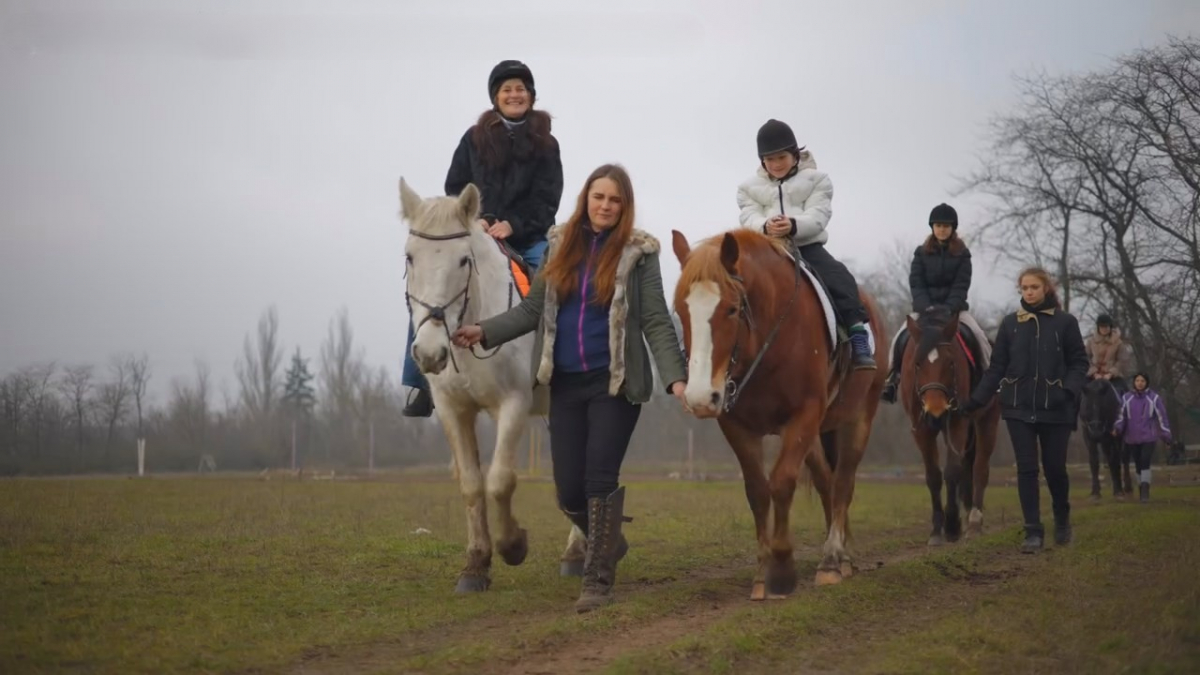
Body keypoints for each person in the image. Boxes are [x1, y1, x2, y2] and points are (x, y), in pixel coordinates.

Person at [451, 164, 687, 613]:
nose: (605, 206)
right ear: (586, 199)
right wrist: (483, 330)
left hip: (614, 384)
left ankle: (597, 581)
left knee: (599, 479)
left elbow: (656, 318)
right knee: (568, 491)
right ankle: (606, 538)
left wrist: (675, 376)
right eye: (599, 197)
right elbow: (532, 310)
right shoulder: (560, 246)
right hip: (565, 384)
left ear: (624, 207)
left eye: (614, 200)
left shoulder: (640, 254)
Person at [402, 59, 565, 417]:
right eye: (506, 89)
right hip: (477, 232)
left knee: (551, 289)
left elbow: (548, 198)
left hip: (527, 237)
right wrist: (478, 220)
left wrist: (512, 225)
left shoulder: (547, 144)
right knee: (431, 287)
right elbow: (455, 186)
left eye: (521, 88)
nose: (514, 94)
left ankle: (556, 373)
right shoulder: (472, 139)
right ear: (495, 97)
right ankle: (420, 383)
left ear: (531, 96)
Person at [962, 267, 1089, 553]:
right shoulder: (1010, 324)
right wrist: (974, 401)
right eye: (1024, 288)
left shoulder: (1065, 323)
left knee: (1055, 469)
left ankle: (1062, 520)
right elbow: (996, 369)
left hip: (1055, 409)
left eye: (1034, 287)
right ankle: (1032, 531)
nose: (1029, 292)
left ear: (1046, 288)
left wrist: (1067, 391)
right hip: (1018, 409)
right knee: (1027, 470)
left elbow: (1079, 363)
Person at [736, 119, 874, 368]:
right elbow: (749, 217)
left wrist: (793, 225)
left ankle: (857, 336)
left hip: (807, 247)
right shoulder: (747, 188)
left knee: (840, 277)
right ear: (762, 162)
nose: (776, 165)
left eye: (782, 158)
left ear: (795, 155)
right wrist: (765, 226)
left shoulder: (818, 180)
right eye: (770, 160)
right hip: (766, 250)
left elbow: (818, 216)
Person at [881, 203, 992, 403]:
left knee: (978, 335)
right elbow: (916, 283)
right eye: (938, 225)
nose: (942, 229)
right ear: (932, 227)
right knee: (899, 336)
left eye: (946, 226)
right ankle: (890, 380)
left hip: (954, 311)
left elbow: (961, 285)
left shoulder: (963, 254)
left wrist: (949, 308)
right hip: (925, 311)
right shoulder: (920, 253)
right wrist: (926, 307)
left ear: (953, 229)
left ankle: (990, 377)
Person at [1113, 372, 1172, 503]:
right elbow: (1121, 417)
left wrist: (1166, 436)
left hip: (1148, 437)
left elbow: (1162, 418)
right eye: (1137, 381)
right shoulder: (1126, 398)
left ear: (1147, 383)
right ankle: (1141, 489)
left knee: (1145, 461)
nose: (1140, 383)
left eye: (1142, 381)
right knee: (1138, 464)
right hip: (1132, 438)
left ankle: (1145, 491)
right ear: (1134, 383)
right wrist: (1117, 428)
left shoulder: (1154, 398)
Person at [1085, 314, 1132, 393]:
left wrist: (1110, 374)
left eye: (1106, 327)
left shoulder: (1118, 342)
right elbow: (1086, 357)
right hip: (1094, 375)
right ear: (1098, 327)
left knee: (1124, 392)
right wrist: (1094, 373)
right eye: (1102, 327)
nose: (1104, 329)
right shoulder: (1091, 341)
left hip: (1112, 376)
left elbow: (1122, 360)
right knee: (1079, 391)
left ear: (1110, 327)